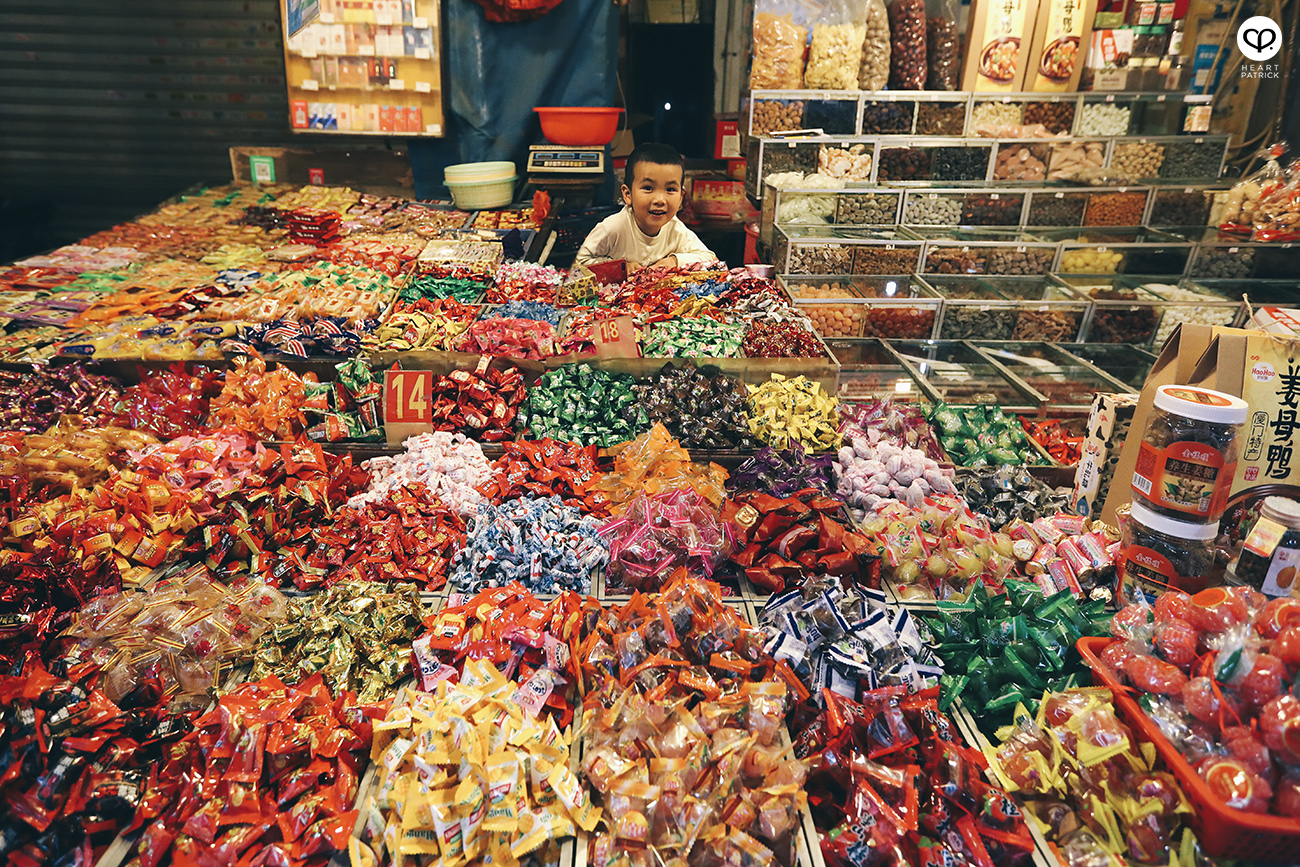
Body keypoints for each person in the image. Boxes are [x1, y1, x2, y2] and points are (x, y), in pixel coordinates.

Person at [574, 142, 716, 272]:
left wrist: (673, 261)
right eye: (648, 188)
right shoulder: (613, 228)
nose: (660, 200)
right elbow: (579, 262)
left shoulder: (675, 228)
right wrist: (621, 267)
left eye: (670, 189)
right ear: (628, 194)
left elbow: (709, 258)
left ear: (680, 198)